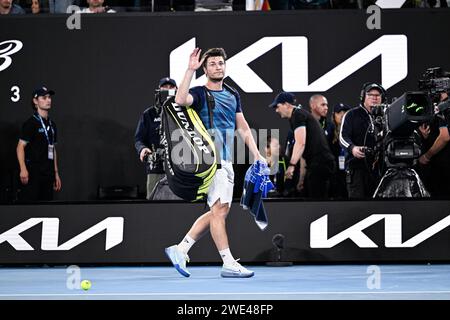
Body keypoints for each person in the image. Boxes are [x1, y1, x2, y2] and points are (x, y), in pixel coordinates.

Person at [165, 47, 264, 278]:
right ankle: (228, 262)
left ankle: (180, 249)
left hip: (227, 159)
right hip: (210, 160)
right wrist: (190, 70)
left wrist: (256, 154)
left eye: (221, 63)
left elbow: (243, 126)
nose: (218, 67)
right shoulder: (198, 93)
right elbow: (180, 99)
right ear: (205, 69)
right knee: (219, 212)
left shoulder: (233, 95)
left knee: (218, 211)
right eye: (212, 64)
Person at [270, 91, 335, 198]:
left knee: (318, 204)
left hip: (321, 165)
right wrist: (301, 178)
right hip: (317, 165)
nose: (276, 110)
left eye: (277, 106)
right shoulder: (298, 116)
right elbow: (304, 152)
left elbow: (300, 143)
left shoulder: (298, 115)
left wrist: (291, 166)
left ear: (286, 105)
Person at [339, 82, 385, 198]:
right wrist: (352, 148)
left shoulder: (386, 116)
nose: (374, 98)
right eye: (370, 95)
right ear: (363, 96)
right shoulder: (351, 114)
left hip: (380, 169)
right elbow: (343, 137)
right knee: (358, 206)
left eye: (377, 95)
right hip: (357, 168)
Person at [16, 86, 62, 202]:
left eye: (49, 97)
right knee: (32, 207)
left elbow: (53, 148)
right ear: (35, 101)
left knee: (46, 208)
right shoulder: (31, 123)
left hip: (48, 174)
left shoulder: (52, 125)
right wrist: (23, 169)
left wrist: (56, 173)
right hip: (34, 174)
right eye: (44, 97)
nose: (48, 100)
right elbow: (20, 146)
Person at [134, 77, 177, 200]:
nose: (168, 90)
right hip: (156, 167)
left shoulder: (185, 112)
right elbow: (139, 139)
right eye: (165, 87)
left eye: (171, 88)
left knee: (180, 204)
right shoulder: (149, 114)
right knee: (154, 204)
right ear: (158, 90)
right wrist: (142, 149)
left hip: (179, 168)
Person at [329, 103, 352, 199]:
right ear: (334, 115)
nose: (342, 115)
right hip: (334, 173)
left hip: (349, 170)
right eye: (339, 112)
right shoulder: (329, 130)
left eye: (345, 112)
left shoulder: (352, 130)